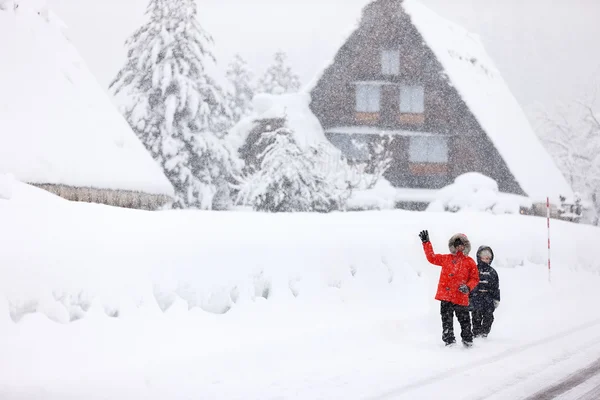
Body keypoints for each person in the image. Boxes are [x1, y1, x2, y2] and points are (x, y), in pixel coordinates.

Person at [418, 230, 479, 347]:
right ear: (453, 246)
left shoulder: (469, 262)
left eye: (462, 245)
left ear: (466, 246)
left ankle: (467, 341)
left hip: (461, 298)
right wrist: (426, 243)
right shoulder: (446, 258)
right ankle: (449, 341)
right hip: (446, 297)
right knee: (446, 321)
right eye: (457, 245)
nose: (459, 247)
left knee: (465, 321)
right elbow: (432, 258)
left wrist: (468, 287)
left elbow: (475, 278)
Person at [469, 246, 500, 338]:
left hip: (488, 300)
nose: (486, 260)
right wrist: (468, 297)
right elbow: (470, 284)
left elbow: (496, 287)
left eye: (488, 258)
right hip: (476, 299)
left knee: (489, 317)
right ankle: (476, 334)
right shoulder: (474, 270)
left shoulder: (492, 272)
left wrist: (496, 299)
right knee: (476, 317)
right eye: (484, 257)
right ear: (479, 257)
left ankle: (484, 334)